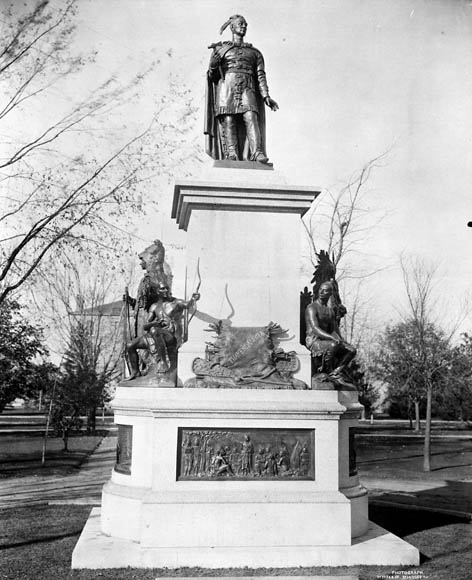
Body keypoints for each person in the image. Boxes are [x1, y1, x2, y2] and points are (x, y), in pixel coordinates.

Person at [205, 14, 278, 163]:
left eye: (245, 24)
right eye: (240, 24)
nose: (244, 26)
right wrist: (214, 62)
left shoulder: (255, 53)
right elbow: (212, 75)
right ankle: (231, 153)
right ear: (232, 27)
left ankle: (257, 152)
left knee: (251, 117)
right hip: (226, 87)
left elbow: (260, 76)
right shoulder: (220, 49)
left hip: (247, 87)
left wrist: (266, 96)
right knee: (229, 119)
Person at [126, 283, 200, 380]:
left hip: (170, 335)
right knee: (130, 345)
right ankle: (135, 372)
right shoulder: (154, 306)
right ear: (158, 291)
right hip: (154, 334)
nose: (165, 290)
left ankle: (162, 363)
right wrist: (155, 323)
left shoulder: (176, 303)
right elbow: (145, 326)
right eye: (162, 289)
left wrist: (193, 299)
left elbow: (188, 304)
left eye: (167, 288)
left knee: (154, 330)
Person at [305, 281, 356, 383]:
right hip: (314, 341)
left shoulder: (330, 311)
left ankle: (335, 373)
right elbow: (315, 328)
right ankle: (326, 371)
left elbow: (333, 330)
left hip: (326, 340)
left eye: (325, 290)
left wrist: (341, 341)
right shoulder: (312, 307)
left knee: (351, 350)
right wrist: (332, 338)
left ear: (330, 293)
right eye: (320, 289)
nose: (322, 292)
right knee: (333, 345)